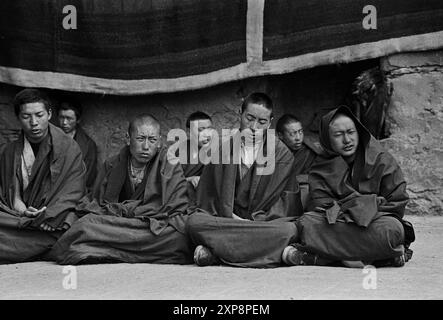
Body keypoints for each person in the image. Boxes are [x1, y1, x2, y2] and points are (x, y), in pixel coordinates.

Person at [282, 105, 415, 268]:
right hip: (339, 223)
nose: (347, 140)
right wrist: (353, 208)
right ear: (327, 139)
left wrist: (366, 209)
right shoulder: (322, 166)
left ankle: (326, 258)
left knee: (393, 230)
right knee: (306, 224)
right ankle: (380, 257)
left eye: (351, 132)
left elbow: (397, 201)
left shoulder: (381, 160)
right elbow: (319, 204)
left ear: (359, 132)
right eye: (338, 135)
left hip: (374, 223)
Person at [51, 114, 193, 265]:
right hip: (119, 224)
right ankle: (125, 250)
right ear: (127, 138)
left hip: (148, 225)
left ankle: (104, 250)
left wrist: (128, 210)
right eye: (140, 139)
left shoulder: (170, 164)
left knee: (177, 235)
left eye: (152, 140)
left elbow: (176, 206)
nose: (146, 146)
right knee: (86, 224)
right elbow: (96, 202)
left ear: (159, 142)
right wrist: (121, 213)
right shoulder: (111, 164)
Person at [186, 92, 303, 268]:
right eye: (249, 118)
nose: (254, 127)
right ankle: (270, 253)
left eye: (262, 122)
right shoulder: (221, 149)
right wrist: (230, 216)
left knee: (289, 229)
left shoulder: (282, 154)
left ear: (270, 122)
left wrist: (258, 221)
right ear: (239, 113)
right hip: (227, 219)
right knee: (195, 223)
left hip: (263, 224)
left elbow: (287, 204)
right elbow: (207, 199)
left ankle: (216, 253)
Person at [0, 89, 86, 264]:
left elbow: (75, 190)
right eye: (26, 117)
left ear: (49, 114)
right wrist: (24, 211)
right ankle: (41, 246)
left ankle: (29, 245)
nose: (34, 123)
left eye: (39, 115)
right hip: (20, 218)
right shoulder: (10, 152)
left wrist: (51, 213)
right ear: (18, 118)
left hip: (53, 219)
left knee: (73, 223)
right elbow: (11, 194)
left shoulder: (68, 148)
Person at [276, 114, 321, 207]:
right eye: (292, 134)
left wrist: (295, 180)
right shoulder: (275, 153)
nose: (298, 138)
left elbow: (317, 176)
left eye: (300, 132)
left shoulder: (309, 152)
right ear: (280, 135)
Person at [58, 100, 98, 191]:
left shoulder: (88, 145)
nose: (64, 122)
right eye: (61, 117)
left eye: (69, 118)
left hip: (76, 190)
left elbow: (89, 177)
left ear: (78, 120)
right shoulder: (50, 139)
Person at [176, 111, 214, 202]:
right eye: (201, 130)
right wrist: (190, 179)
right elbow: (170, 181)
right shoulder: (180, 151)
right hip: (181, 196)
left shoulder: (215, 151)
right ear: (189, 132)